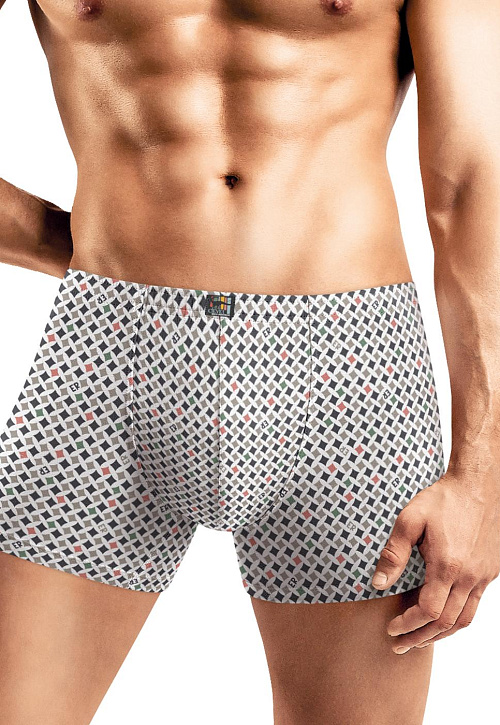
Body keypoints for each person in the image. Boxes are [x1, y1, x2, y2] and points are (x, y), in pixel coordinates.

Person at [1, 0, 499, 722]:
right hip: (111, 355)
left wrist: (483, 475)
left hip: (349, 375)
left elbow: (473, 175)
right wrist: (77, 248)